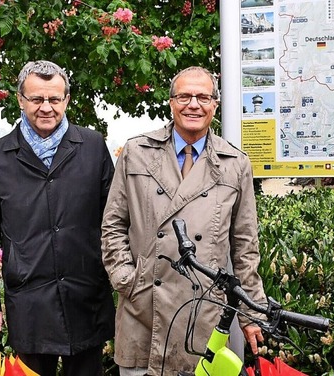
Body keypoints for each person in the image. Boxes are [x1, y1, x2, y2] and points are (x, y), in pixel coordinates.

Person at [101, 66, 266, 376]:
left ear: (215, 105)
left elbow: (245, 247)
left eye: (203, 96)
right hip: (144, 311)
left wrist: (250, 312)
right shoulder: (137, 152)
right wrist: (126, 278)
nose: (194, 104)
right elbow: (113, 225)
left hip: (205, 313)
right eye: (185, 96)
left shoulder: (235, 163)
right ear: (171, 102)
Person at [0, 60, 115, 376]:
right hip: (30, 300)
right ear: (20, 100)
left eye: (54, 99)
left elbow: (114, 220)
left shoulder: (92, 147)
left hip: (85, 295)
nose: (46, 107)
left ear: (67, 100)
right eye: (36, 99)